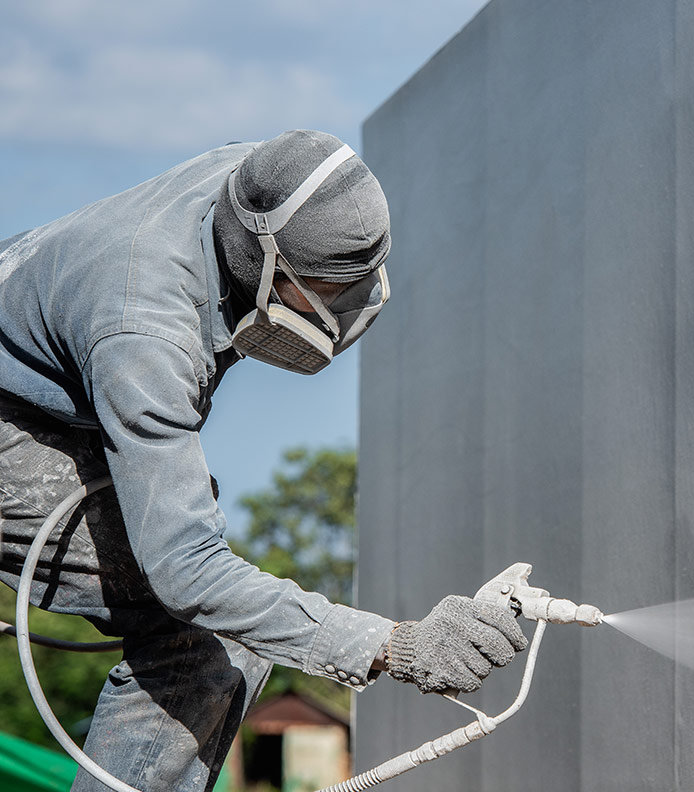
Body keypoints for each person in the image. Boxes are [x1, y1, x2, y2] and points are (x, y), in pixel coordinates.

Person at [0, 130, 527, 792]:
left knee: (232, 617)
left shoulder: (268, 180)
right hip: (12, 423)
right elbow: (188, 574)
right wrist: (395, 646)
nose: (342, 312)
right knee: (201, 642)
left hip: (48, 389)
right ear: (263, 258)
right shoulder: (145, 329)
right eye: (325, 291)